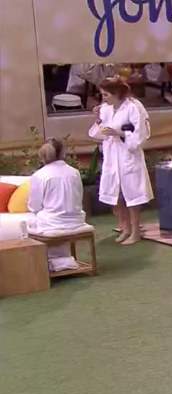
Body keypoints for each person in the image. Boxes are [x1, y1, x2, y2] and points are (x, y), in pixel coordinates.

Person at [89, 76, 153, 245]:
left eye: (106, 94)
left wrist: (121, 133)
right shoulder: (105, 108)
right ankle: (124, 227)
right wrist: (97, 120)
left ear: (116, 93)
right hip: (111, 154)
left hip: (128, 154)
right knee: (114, 194)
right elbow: (98, 133)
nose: (103, 98)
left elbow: (141, 134)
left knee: (132, 194)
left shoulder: (134, 107)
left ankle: (135, 231)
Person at [27, 138, 89, 272]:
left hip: (52, 223)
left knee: (27, 222)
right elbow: (79, 198)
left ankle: (51, 262)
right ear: (62, 152)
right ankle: (63, 260)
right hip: (77, 220)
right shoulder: (75, 172)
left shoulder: (39, 175)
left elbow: (34, 206)